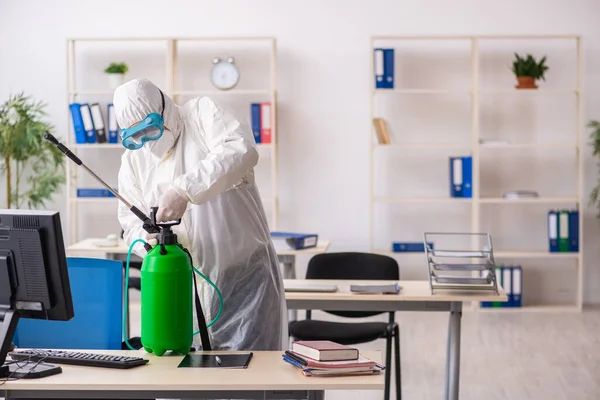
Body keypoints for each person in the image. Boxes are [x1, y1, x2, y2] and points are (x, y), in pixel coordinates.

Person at [113, 77, 287, 351]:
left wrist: (184, 190)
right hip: (180, 284)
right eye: (136, 137)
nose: (146, 142)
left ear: (164, 109)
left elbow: (240, 150)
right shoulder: (134, 160)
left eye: (149, 130)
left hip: (243, 278)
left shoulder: (203, 114)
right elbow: (129, 219)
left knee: (250, 376)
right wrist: (147, 242)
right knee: (188, 377)